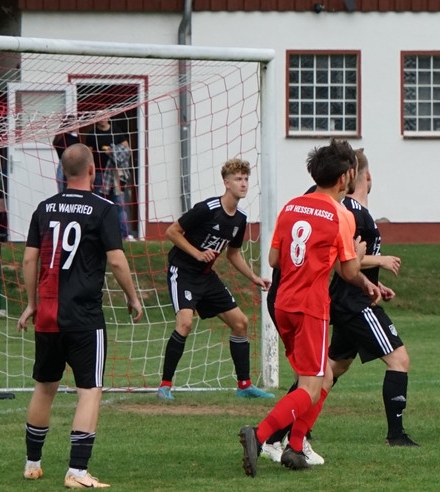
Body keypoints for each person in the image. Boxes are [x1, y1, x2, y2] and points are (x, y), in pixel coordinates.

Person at [239, 139, 380, 476]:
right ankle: (259, 435)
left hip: (283, 304)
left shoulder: (291, 206)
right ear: (345, 177)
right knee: (310, 387)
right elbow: (348, 271)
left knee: (323, 375)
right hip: (311, 308)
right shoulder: (341, 215)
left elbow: (273, 259)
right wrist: (359, 256)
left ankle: (297, 445)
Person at [18, 143, 144, 488]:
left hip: (48, 314)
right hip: (84, 316)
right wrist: (132, 297)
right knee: (89, 390)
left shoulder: (44, 208)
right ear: (92, 170)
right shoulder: (103, 208)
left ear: (63, 172)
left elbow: (29, 259)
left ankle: (32, 463)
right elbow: (116, 260)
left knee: (45, 387)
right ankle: (76, 471)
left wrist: (31, 303)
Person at [157, 158, 273, 401]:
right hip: (183, 272)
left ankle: (244, 386)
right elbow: (172, 232)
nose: (244, 183)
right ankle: (165, 386)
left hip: (206, 277)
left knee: (240, 323)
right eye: (238, 179)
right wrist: (197, 253)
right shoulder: (207, 209)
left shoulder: (240, 219)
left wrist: (253, 277)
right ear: (226, 183)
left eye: (246, 179)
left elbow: (233, 254)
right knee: (185, 324)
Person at [328, 149, 417, 446]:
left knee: (334, 367)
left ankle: (292, 420)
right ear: (366, 176)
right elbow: (342, 260)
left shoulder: (356, 210)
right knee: (399, 359)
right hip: (354, 303)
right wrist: (380, 261)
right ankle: (396, 435)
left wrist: (375, 284)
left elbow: (353, 261)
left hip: (353, 297)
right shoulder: (353, 212)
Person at [85, 117, 130, 239]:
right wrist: (90, 174)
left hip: (114, 173)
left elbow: (127, 149)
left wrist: (113, 151)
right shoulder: (92, 134)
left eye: (104, 116)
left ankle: (125, 234)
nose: (102, 119)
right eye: (99, 116)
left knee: (119, 204)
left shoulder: (116, 131)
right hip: (99, 173)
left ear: (109, 117)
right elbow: (88, 155)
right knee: (98, 203)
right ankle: (97, 233)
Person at [52, 116, 79, 193]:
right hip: (69, 164)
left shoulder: (59, 137)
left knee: (62, 188)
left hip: (63, 165)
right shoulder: (70, 139)